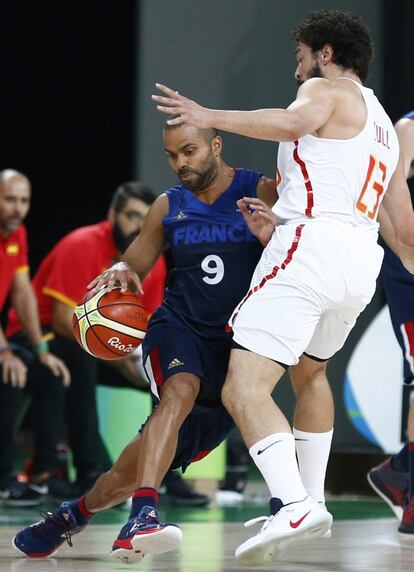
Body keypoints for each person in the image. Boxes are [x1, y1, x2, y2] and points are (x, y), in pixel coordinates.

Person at [151, 10, 414, 566]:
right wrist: (285, 220)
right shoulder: (386, 126)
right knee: (310, 371)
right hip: (359, 261)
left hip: (312, 251)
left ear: (324, 53)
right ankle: (312, 499)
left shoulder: (329, 88)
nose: (297, 74)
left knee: (242, 385)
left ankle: (291, 501)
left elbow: (292, 124)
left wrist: (206, 113)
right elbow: (403, 229)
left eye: (300, 58)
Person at [12, 121, 277, 562]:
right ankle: (144, 515)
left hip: (237, 347)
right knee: (178, 390)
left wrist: (274, 235)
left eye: (189, 151)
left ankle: (70, 515)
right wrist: (122, 273)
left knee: (123, 474)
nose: (181, 163)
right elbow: (135, 262)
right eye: (172, 155)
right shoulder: (166, 206)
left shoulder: (261, 190)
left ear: (216, 145)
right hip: (179, 328)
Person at [6, 181, 203, 504]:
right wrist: (117, 358)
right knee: (78, 359)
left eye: (144, 219)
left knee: (173, 379)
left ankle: (166, 475)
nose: (137, 226)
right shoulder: (81, 244)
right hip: (44, 337)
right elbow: (61, 319)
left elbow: (145, 325)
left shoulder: (151, 261)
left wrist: (138, 361)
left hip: (108, 349)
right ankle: (88, 472)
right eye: (130, 216)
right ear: (112, 215)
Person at [0, 169, 70, 505]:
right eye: (10, 199)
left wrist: (40, 348)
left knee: (48, 376)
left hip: (8, 340)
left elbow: (23, 291)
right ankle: (3, 479)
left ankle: (43, 475)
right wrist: (4, 351)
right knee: (9, 377)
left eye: (23, 201)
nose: (18, 208)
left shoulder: (17, 234)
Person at [367, 111, 414, 534]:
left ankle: (401, 470)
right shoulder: (408, 129)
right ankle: (411, 488)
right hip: (409, 268)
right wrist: (404, 252)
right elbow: (380, 198)